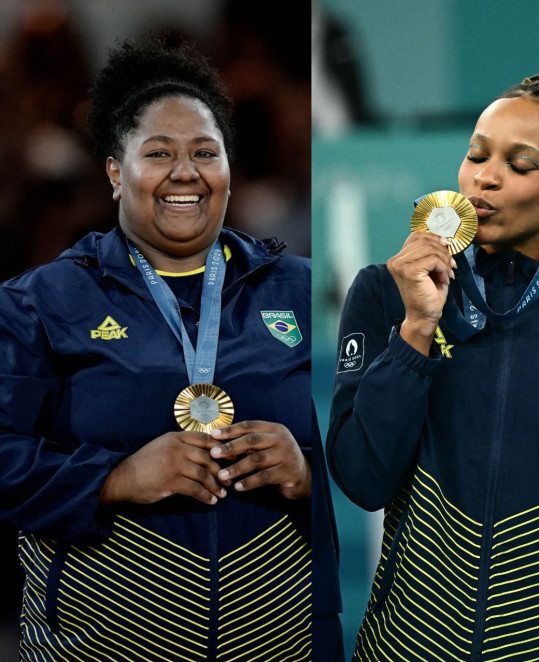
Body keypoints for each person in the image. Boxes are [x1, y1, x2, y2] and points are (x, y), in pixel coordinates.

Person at [0, 36, 342, 661]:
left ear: (229, 171)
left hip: (283, 645)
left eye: (205, 153)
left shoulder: (306, 292)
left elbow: (382, 459)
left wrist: (307, 473)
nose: (185, 172)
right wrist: (114, 478)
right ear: (113, 171)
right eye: (158, 153)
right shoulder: (41, 303)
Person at [326, 68, 539, 661]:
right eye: (477, 155)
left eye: (521, 164)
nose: (486, 178)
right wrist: (416, 331)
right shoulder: (385, 293)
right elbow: (362, 479)